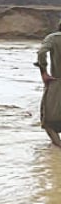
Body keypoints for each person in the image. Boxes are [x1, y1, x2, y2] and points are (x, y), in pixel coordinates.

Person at [35, 18, 61, 147]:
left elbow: (41, 52)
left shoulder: (54, 38)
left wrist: (43, 72)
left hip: (57, 83)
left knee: (48, 121)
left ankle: (58, 147)